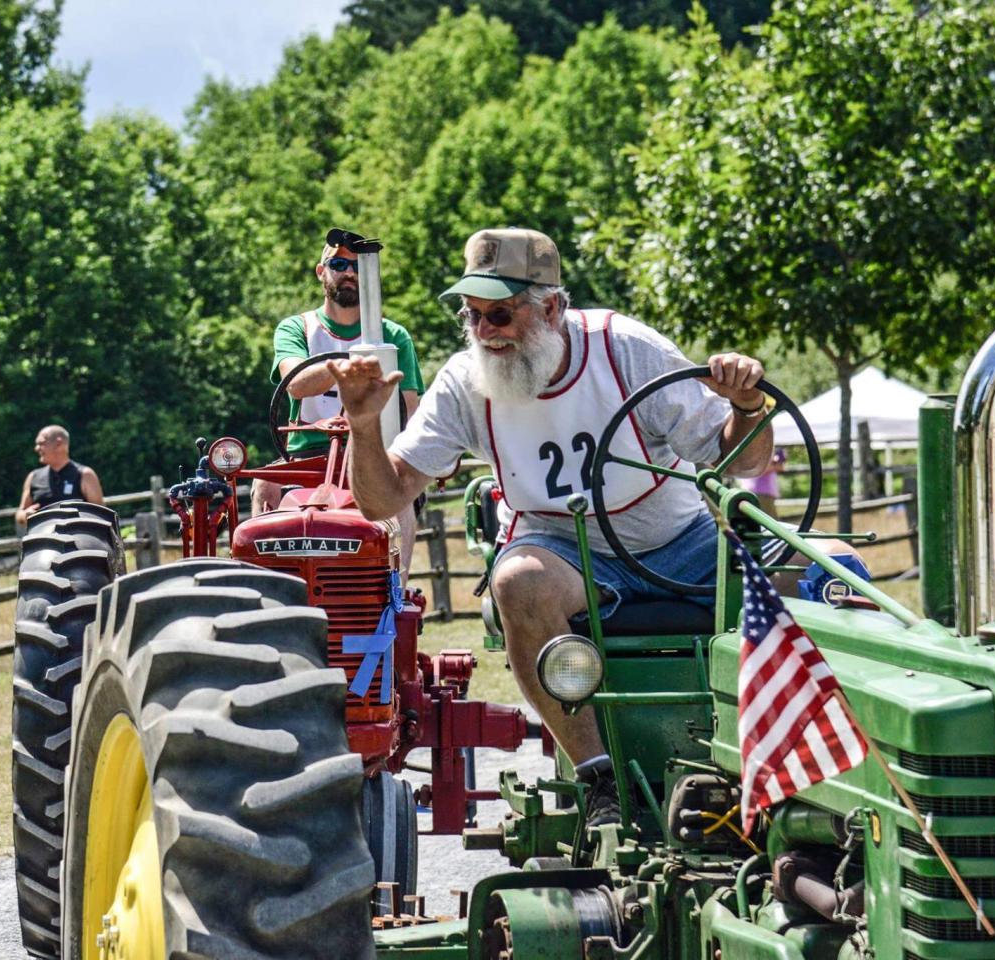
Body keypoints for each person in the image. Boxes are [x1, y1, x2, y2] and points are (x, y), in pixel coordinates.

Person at [326, 227, 775, 825]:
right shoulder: (465, 382)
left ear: (552, 308)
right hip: (561, 549)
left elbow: (742, 460)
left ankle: (808, 765)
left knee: (826, 580)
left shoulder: (624, 349)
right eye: (474, 315)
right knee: (517, 581)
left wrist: (746, 405)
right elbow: (385, 500)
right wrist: (362, 425)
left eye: (501, 314)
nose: (486, 331)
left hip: (680, 543)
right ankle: (601, 783)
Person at [252, 228, 426, 572]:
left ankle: (397, 596)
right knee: (264, 485)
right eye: (338, 263)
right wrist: (353, 366)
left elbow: (410, 411)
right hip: (309, 453)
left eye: (358, 266)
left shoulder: (393, 336)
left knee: (398, 500)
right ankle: (268, 580)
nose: (348, 273)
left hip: (375, 453)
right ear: (322, 272)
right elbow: (297, 384)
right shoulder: (296, 329)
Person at [14, 425, 104, 525]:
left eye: (41, 443)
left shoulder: (85, 475)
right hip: (42, 538)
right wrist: (25, 515)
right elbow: (20, 513)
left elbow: (101, 515)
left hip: (78, 539)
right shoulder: (33, 477)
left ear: (59, 443)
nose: (36, 449)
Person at [737, 447, 786, 517]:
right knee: (769, 521)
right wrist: (776, 463)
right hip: (760, 494)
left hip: (760, 494)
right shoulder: (760, 458)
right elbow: (763, 470)